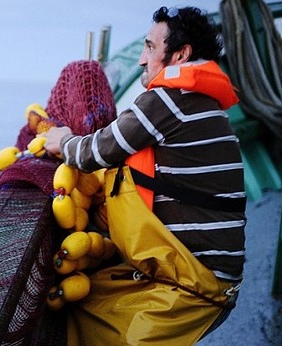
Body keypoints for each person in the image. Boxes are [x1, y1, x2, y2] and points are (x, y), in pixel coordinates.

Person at [42, 6, 246, 345]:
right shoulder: (201, 102)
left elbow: (98, 151)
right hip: (195, 273)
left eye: (150, 47)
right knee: (91, 304)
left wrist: (62, 141)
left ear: (181, 54)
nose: (140, 59)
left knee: (91, 325)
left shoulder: (170, 99)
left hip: (194, 284)